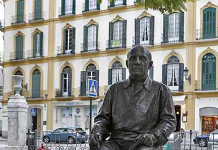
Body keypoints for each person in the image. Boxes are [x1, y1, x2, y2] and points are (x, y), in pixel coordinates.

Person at [89, 45, 176, 150]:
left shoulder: (161, 90)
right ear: (127, 64)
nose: (137, 62)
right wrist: (98, 131)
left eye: (142, 58)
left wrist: (153, 136)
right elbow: (103, 118)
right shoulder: (114, 89)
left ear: (150, 65)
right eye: (133, 58)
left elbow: (169, 120)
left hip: (144, 142)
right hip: (116, 142)